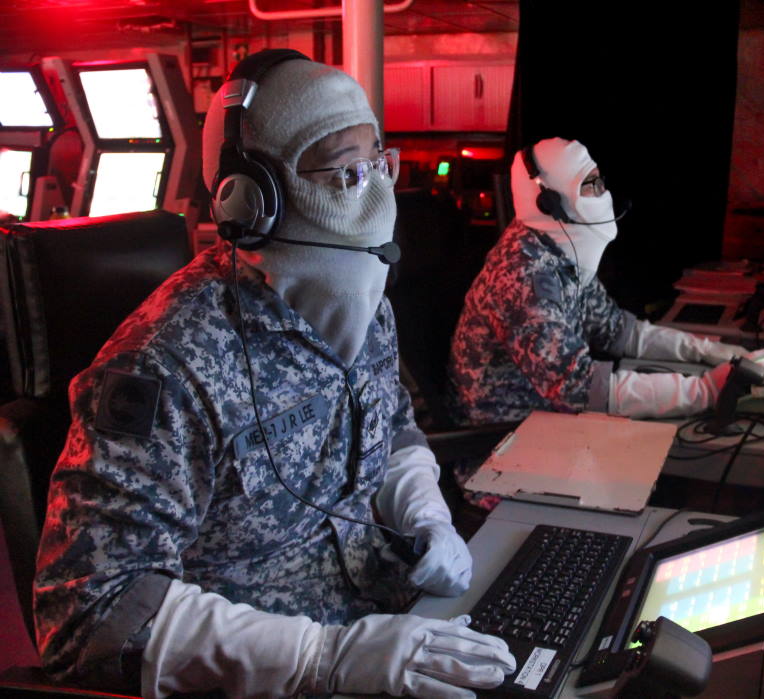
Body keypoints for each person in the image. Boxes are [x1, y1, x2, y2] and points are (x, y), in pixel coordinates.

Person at [33, 51, 515, 698]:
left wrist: (423, 510)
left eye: (380, 163)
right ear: (251, 201)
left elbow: (393, 422)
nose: (378, 194)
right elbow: (89, 617)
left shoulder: (362, 303)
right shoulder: (167, 364)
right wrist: (323, 656)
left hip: (393, 626)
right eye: (347, 172)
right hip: (277, 675)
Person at [448, 137, 764, 427]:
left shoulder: (558, 251)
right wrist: (705, 391)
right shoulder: (523, 279)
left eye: (600, 182)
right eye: (589, 186)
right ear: (549, 203)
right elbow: (579, 391)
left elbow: (615, 330)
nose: (603, 195)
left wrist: (707, 351)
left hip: (550, 420)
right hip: (508, 444)